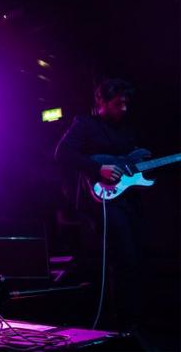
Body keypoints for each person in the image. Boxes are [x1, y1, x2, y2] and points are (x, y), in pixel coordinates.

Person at [55, 78, 144, 331]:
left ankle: (132, 321)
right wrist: (98, 168)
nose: (123, 108)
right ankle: (121, 324)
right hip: (99, 202)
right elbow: (62, 154)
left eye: (126, 103)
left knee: (135, 258)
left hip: (128, 201)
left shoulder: (127, 129)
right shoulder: (84, 124)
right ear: (101, 102)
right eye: (118, 103)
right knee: (122, 258)